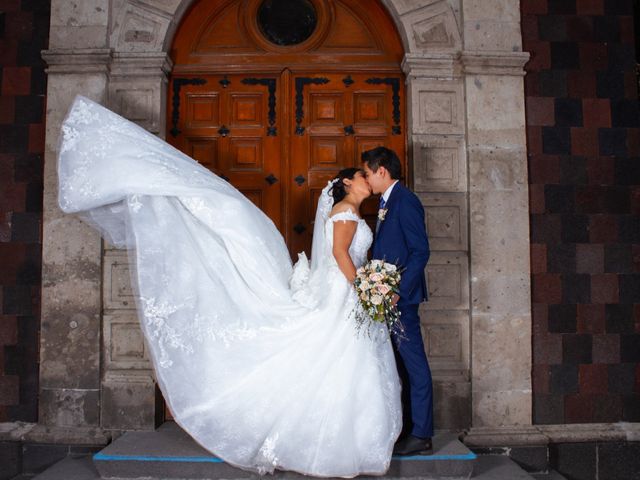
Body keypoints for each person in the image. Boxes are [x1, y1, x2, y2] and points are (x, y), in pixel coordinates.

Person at [57, 96, 402, 478]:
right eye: (361, 175)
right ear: (349, 183)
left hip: (341, 294)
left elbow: (339, 256)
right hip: (345, 294)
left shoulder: (348, 212)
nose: (367, 178)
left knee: (341, 363)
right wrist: (366, 287)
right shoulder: (348, 213)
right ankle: (340, 439)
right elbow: (340, 255)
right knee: (343, 363)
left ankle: (335, 435)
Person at [362, 146, 433, 456]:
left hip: (400, 300)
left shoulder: (406, 201)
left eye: (367, 172)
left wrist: (396, 290)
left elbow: (421, 252)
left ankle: (422, 433)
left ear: (382, 170)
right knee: (400, 364)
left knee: (414, 364)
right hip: (387, 297)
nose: (367, 179)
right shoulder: (386, 202)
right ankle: (406, 428)